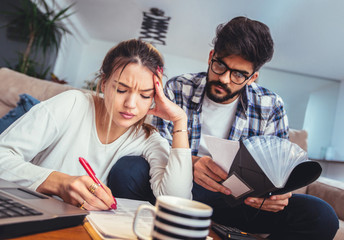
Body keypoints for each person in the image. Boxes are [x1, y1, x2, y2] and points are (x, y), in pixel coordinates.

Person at [111, 17, 339, 239]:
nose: (226, 79)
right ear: (211, 56)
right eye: (220, 65)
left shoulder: (271, 106)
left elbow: (280, 171)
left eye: (239, 74)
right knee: (128, 169)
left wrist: (277, 195)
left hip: (241, 203)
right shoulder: (178, 87)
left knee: (321, 215)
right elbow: (157, 147)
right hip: (183, 189)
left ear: (253, 78)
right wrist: (192, 163)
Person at [0, 39, 192, 211]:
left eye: (145, 95)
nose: (130, 104)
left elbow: (176, 199)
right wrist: (58, 182)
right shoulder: (72, 104)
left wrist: (179, 121)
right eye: (121, 90)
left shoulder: (147, 139)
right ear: (104, 84)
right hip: (26, 212)